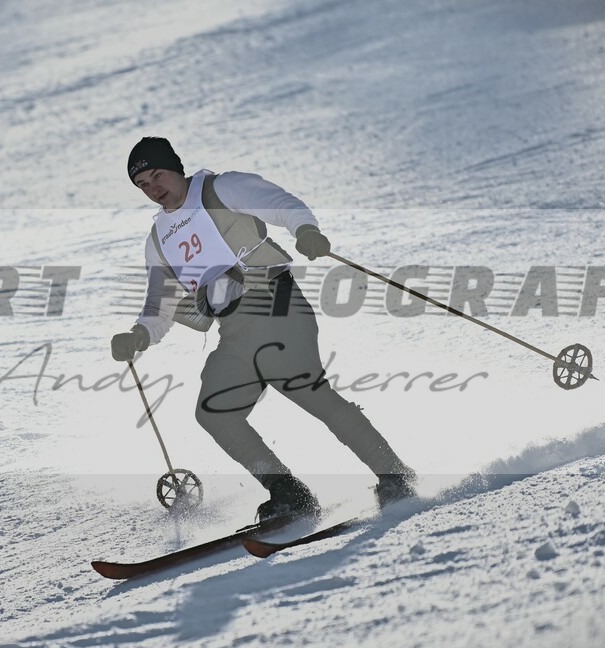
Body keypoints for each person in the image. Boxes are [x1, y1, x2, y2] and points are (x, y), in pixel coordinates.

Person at [111, 137, 416, 520]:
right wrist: (139, 335)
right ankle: (289, 493)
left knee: (309, 392)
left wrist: (305, 230)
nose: (154, 188)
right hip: (234, 328)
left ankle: (394, 475)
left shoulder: (220, 188)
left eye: (158, 175)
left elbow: (280, 203)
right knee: (214, 412)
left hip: (276, 304)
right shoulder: (158, 240)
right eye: (143, 185)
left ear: (176, 167)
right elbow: (160, 304)